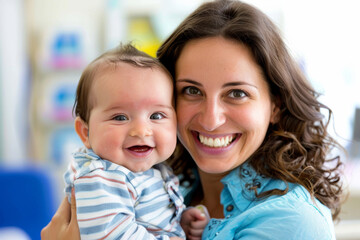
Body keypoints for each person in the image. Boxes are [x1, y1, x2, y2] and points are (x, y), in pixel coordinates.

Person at [41, 0, 344, 239]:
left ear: (275, 105)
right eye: (191, 90)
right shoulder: (164, 182)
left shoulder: (291, 223)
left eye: (237, 93)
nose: (211, 120)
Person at [59, 43, 208, 240]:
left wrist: (180, 221)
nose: (141, 130)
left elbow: (147, 221)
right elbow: (112, 235)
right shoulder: (101, 178)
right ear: (85, 132)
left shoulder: (150, 170)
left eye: (156, 115)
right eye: (120, 117)